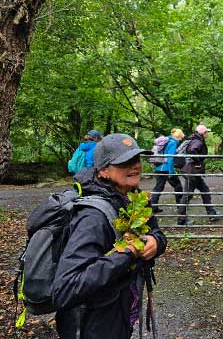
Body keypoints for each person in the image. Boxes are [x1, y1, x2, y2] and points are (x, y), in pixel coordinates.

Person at [53, 133, 167, 339]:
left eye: (136, 159)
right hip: (93, 324)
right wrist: (129, 253)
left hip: (120, 309)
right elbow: (66, 289)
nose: (135, 166)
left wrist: (156, 242)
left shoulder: (134, 198)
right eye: (124, 162)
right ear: (104, 171)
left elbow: (155, 231)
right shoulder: (92, 217)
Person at [177, 124, 221, 225]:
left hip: (192, 172)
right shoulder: (197, 141)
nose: (208, 134)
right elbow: (192, 151)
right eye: (207, 132)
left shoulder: (194, 139)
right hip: (191, 172)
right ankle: (181, 220)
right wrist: (197, 162)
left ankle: (212, 213)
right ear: (203, 133)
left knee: (205, 190)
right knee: (187, 196)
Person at [151, 128, 184, 214]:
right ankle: (180, 208)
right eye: (181, 137)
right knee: (178, 187)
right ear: (178, 136)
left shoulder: (167, 140)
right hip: (166, 168)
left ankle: (153, 207)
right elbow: (170, 158)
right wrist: (171, 172)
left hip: (159, 167)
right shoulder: (173, 143)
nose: (181, 139)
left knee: (158, 188)